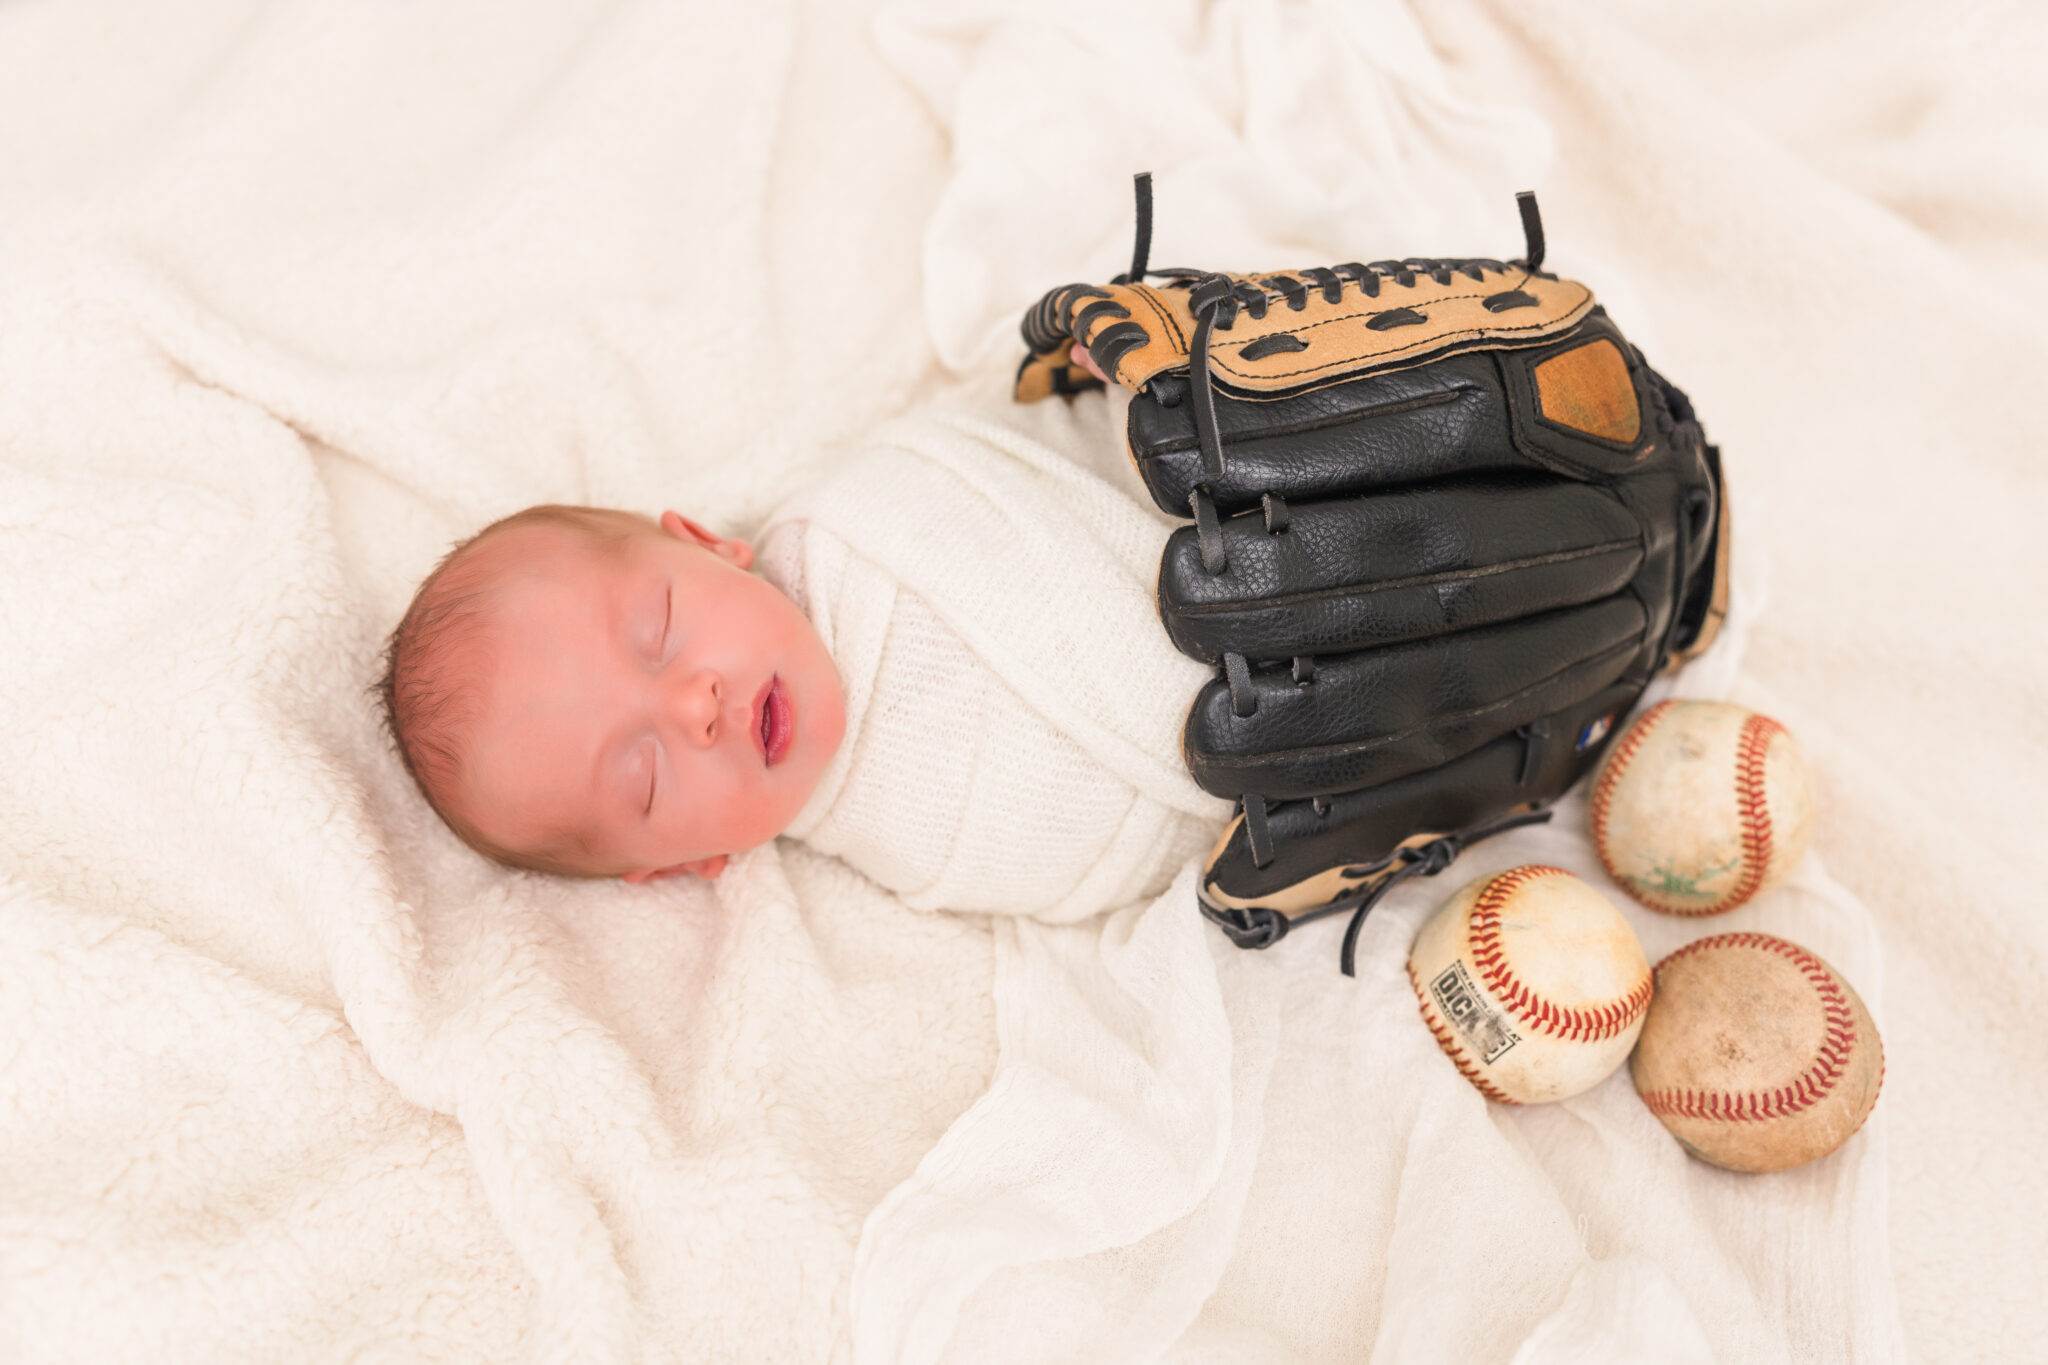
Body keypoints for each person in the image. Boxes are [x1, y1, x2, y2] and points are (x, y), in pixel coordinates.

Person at [378, 367, 1225, 920]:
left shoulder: (876, 521)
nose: (693, 705)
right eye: (644, 775)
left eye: (661, 629)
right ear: (684, 863)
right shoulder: (903, 873)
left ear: (708, 543)